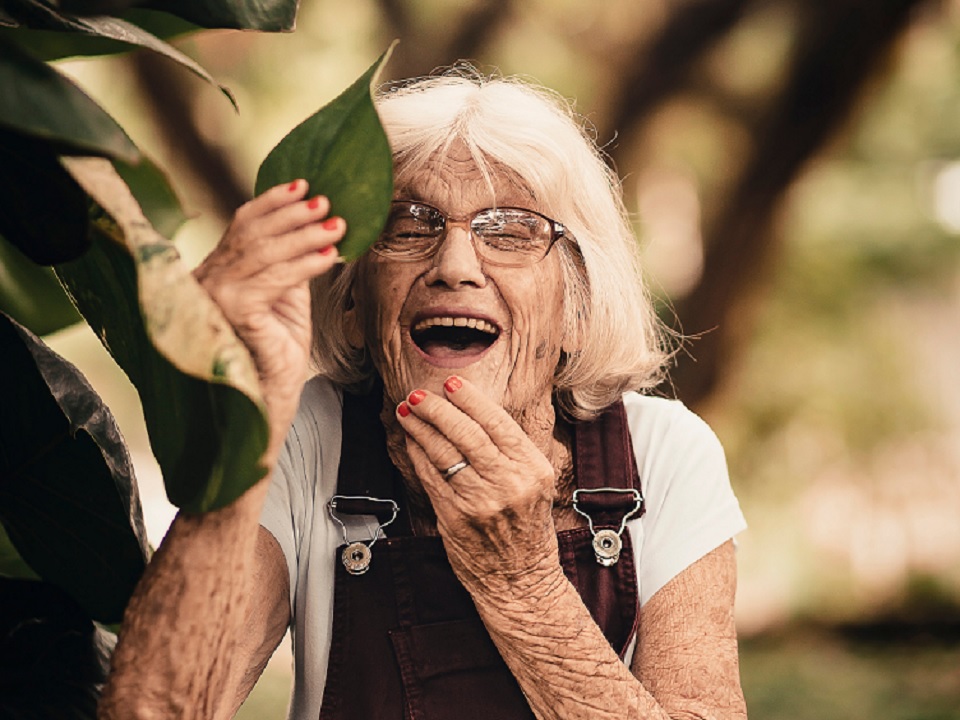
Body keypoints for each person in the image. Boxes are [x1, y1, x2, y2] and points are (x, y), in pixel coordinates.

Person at [99, 68, 748, 720]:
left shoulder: (664, 452)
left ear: (576, 308)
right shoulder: (302, 437)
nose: (455, 266)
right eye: (408, 225)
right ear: (353, 301)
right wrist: (245, 411)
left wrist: (523, 587)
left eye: (510, 229)